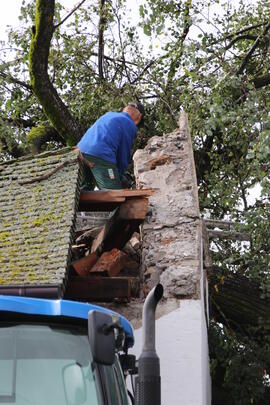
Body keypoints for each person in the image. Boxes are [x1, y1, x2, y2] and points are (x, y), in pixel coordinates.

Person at [77, 102, 144, 190]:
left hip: (80, 151)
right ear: (139, 117)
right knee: (114, 194)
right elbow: (123, 155)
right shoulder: (130, 123)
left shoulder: (109, 115)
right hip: (100, 155)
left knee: (84, 192)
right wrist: (118, 177)